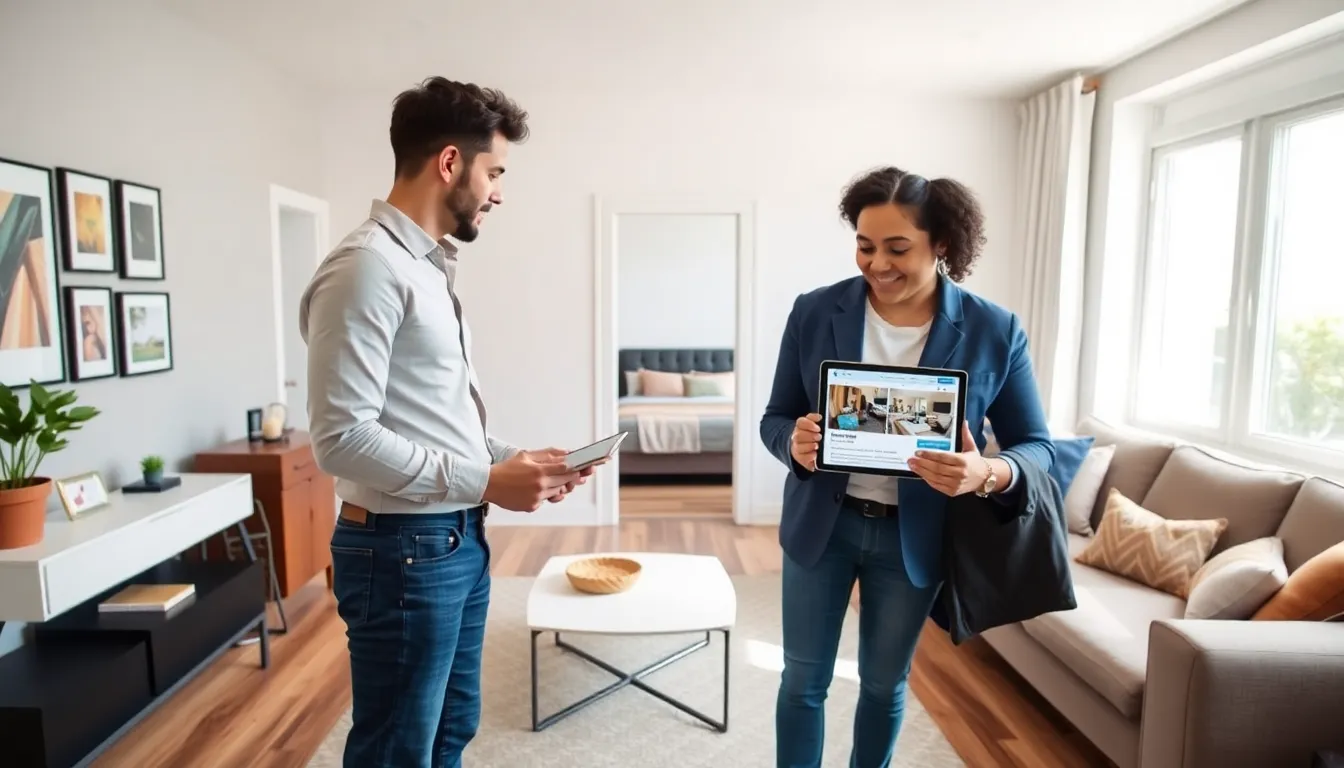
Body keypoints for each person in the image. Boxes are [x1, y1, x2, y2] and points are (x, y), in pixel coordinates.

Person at [300, 77, 598, 768]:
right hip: (402, 551)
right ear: (449, 163)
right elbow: (341, 438)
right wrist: (488, 479)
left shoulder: (426, 269)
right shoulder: (366, 269)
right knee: (398, 749)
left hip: (452, 540)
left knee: (449, 732)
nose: (498, 193)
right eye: (495, 172)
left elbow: (433, 413)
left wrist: (517, 461)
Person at [759, 166, 1054, 767]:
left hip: (914, 539)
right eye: (865, 246)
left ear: (941, 243)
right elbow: (775, 418)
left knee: (883, 684)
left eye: (897, 248)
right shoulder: (814, 311)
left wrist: (986, 473)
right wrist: (794, 442)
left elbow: (1037, 447)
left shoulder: (995, 330)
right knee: (802, 681)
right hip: (823, 527)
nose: (877, 264)